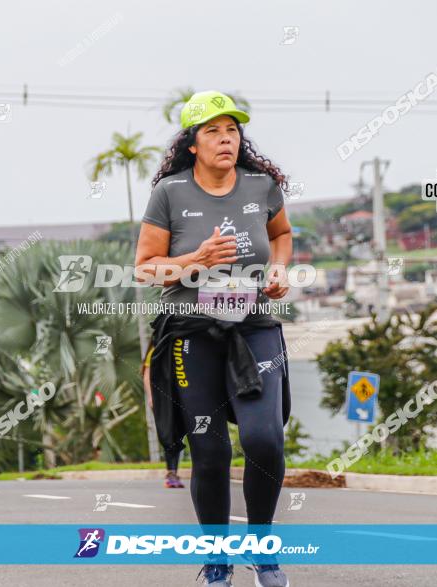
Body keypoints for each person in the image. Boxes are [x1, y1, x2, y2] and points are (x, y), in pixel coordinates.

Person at [135, 91, 293, 587]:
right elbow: (145, 270)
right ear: (192, 145)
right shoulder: (170, 194)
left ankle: (262, 552)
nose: (226, 139)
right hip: (191, 334)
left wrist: (280, 270)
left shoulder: (261, 186)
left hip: (254, 327)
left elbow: (283, 233)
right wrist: (195, 261)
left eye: (232, 130)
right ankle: (217, 563)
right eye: (213, 132)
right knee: (209, 452)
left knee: (264, 440)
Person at [142, 345, 185, 489]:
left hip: (182, 396)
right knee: (168, 434)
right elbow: (147, 374)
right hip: (162, 399)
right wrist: (151, 396)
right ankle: (171, 473)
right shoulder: (156, 346)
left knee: (179, 435)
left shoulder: (179, 343)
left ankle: (175, 472)